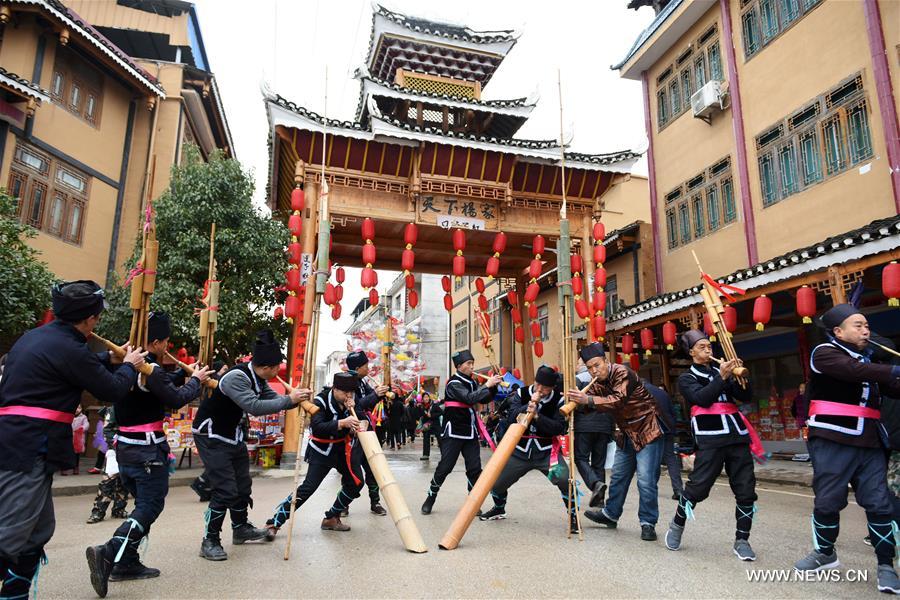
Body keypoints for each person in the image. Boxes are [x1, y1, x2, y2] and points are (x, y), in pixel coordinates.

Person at [0, 280, 144, 600]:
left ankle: (14, 594)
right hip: (27, 446)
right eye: (97, 317)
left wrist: (112, 363)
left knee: (37, 531)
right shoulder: (69, 347)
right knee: (10, 535)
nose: (97, 322)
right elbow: (111, 390)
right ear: (89, 319)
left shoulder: (35, 338)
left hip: (16, 440)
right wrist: (131, 367)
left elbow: (80, 367)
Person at [86, 312, 212, 597]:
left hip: (126, 449)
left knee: (142, 505)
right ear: (155, 342)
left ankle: (127, 562)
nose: (167, 347)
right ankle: (110, 551)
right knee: (150, 506)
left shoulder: (127, 365)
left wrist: (185, 372)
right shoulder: (148, 369)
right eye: (165, 342)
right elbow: (176, 397)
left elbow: (163, 384)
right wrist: (197, 380)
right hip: (147, 451)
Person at [792, 304, 900, 594]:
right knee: (828, 500)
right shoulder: (824, 353)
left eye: (867, 325)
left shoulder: (868, 359)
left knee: (879, 503)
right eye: (858, 325)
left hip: (871, 442)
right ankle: (825, 553)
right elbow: (853, 371)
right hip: (833, 439)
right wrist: (892, 369)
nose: (866, 330)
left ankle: (886, 565)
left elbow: (891, 388)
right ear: (838, 331)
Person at [191, 330, 309, 561]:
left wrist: (295, 399)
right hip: (211, 434)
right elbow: (255, 406)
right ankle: (210, 540)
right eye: (277, 367)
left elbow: (269, 399)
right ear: (268, 367)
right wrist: (290, 400)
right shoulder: (237, 377)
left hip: (231, 434)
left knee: (242, 485)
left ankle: (240, 528)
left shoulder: (259, 378)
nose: (279, 371)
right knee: (225, 489)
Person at [663, 330, 760, 561]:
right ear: (691, 352)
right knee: (698, 488)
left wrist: (741, 377)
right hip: (710, 438)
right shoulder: (687, 378)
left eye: (709, 346)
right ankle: (677, 524)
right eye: (703, 347)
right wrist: (723, 377)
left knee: (746, 490)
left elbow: (745, 396)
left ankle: (742, 539)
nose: (708, 350)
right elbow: (703, 398)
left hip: (737, 435)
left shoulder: (721, 371)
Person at [566, 342, 664, 541]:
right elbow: (591, 405)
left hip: (646, 429)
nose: (594, 370)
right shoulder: (597, 382)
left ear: (606, 361)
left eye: (597, 365)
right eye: (590, 367)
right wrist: (576, 401)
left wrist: (588, 400)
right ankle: (610, 514)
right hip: (625, 433)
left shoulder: (622, 372)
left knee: (645, 480)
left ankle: (648, 522)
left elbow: (617, 399)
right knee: (618, 477)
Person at [479, 366, 577, 532]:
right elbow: (510, 418)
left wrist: (538, 416)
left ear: (552, 387)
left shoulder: (559, 401)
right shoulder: (521, 393)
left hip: (545, 451)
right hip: (520, 450)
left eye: (545, 388)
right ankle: (499, 508)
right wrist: (528, 406)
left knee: (564, 479)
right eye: (538, 384)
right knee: (496, 482)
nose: (540, 389)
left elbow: (559, 428)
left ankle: (573, 516)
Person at [267, 372, 366, 534]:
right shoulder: (320, 401)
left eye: (351, 392)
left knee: (356, 482)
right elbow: (318, 428)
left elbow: (361, 419)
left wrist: (357, 420)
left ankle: (332, 517)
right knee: (308, 488)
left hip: (342, 450)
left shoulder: (351, 402)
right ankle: (274, 523)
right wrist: (342, 422)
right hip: (322, 451)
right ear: (335, 389)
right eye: (344, 392)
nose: (348, 395)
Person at [421, 350, 501, 515]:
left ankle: (472, 503)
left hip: (470, 431)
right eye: (468, 364)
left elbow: (483, 399)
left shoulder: (471, 382)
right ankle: (431, 496)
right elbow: (469, 398)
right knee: (445, 467)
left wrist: (494, 387)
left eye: (472, 363)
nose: (472, 367)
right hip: (454, 431)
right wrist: (486, 385)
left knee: (474, 468)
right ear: (459, 366)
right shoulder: (453, 383)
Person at [345, 350, 388, 516]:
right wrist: (375, 395)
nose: (368, 368)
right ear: (357, 368)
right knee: (352, 472)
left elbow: (370, 398)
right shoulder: (347, 383)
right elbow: (355, 407)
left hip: (367, 430)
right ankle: (344, 504)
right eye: (365, 366)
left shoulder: (362, 382)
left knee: (372, 468)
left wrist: (380, 393)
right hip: (354, 433)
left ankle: (375, 502)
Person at [573, 366, 614, 509]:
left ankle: (595, 484)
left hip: (584, 425)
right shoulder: (608, 379)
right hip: (604, 426)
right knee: (599, 463)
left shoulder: (579, 379)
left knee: (581, 458)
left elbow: (575, 403)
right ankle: (600, 499)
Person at [87, 406, 130, 524]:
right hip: (116, 449)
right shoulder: (115, 408)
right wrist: (116, 443)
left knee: (124, 481)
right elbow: (107, 430)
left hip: (131, 450)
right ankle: (98, 512)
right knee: (108, 481)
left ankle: (119, 509)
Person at [644, 379, 682, 501]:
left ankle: (651, 488)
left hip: (653, 428)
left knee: (653, 459)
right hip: (668, 427)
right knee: (671, 458)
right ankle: (678, 490)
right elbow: (672, 411)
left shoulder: (640, 391)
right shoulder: (662, 392)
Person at [66, 404, 89, 475]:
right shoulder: (68, 415)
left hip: (78, 437)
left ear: (81, 409)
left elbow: (86, 424)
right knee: (66, 453)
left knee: (76, 454)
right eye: (75, 407)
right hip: (69, 436)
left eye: (79, 408)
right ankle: (64, 467)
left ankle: (76, 467)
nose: (77, 409)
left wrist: (82, 428)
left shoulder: (83, 417)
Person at [420, 393, 439, 460]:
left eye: (427, 397)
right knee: (426, 439)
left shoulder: (434, 405)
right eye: (424, 397)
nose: (426, 398)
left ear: (429, 398)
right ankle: (425, 455)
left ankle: (445, 454)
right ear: (422, 398)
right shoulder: (422, 406)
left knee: (440, 439)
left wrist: (432, 415)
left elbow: (441, 412)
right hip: (426, 425)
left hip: (435, 424)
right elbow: (419, 415)